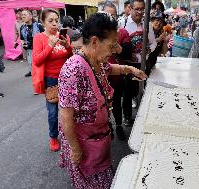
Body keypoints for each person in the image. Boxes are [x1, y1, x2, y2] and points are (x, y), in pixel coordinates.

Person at [58, 12, 147, 188]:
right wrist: (75, 150)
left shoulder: (95, 61)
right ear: (94, 41)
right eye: (112, 45)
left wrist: (130, 69)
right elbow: (66, 117)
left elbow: (110, 68)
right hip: (84, 147)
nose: (115, 50)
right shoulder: (73, 69)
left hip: (97, 141)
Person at [32, 8, 73, 152]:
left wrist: (67, 46)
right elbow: (36, 60)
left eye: (57, 20)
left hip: (67, 78)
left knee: (69, 109)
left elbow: (71, 57)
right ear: (43, 22)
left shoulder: (63, 36)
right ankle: (54, 137)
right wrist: (50, 45)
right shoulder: (39, 38)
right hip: (51, 81)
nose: (55, 23)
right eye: (50, 21)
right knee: (53, 112)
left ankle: (70, 134)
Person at [103, 1, 133, 140]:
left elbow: (127, 54)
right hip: (101, 75)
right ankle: (106, 127)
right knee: (101, 104)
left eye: (113, 16)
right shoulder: (95, 34)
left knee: (116, 101)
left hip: (118, 74)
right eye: (107, 15)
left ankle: (119, 125)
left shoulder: (122, 32)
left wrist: (118, 47)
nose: (110, 19)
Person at [124, 0, 157, 109]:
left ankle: (142, 114)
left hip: (143, 64)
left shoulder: (147, 24)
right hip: (128, 64)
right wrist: (126, 54)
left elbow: (153, 43)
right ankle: (127, 117)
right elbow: (116, 45)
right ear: (130, 9)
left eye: (142, 9)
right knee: (128, 92)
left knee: (143, 90)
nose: (140, 12)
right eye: (137, 9)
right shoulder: (123, 23)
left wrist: (149, 50)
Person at [20, 10, 44, 77]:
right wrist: (23, 44)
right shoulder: (22, 27)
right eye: (22, 15)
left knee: (40, 63)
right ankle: (32, 72)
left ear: (30, 16)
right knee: (30, 62)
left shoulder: (38, 26)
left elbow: (45, 36)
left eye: (25, 14)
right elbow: (21, 38)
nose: (23, 16)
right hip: (29, 48)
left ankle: (40, 74)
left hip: (39, 48)